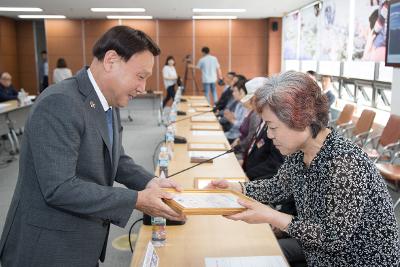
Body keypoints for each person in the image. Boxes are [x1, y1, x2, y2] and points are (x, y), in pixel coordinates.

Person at [0, 26, 185, 267]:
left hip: (79, 241)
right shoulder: (60, 103)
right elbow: (60, 187)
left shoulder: (106, 100)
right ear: (111, 61)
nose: (142, 87)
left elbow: (115, 157)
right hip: (47, 249)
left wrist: (150, 182)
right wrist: (136, 199)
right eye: (141, 76)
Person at [208, 71, 400, 266]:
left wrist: (272, 216)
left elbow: (332, 237)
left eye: (273, 127)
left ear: (301, 119)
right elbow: (278, 187)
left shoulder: (344, 162)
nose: (269, 134)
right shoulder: (300, 153)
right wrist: (237, 188)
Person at [224, 78, 249, 144]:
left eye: (235, 91)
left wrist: (232, 120)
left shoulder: (247, 107)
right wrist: (232, 116)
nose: (233, 93)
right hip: (231, 133)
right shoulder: (238, 104)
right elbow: (237, 119)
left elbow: (242, 126)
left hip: (236, 137)